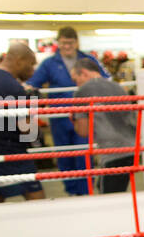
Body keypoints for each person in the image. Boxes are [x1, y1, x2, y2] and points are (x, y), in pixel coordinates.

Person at [27, 26, 108, 196]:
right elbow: (34, 82)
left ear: (76, 42)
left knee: (84, 155)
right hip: (60, 118)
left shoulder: (87, 60)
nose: (67, 47)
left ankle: (86, 192)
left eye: (70, 43)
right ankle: (72, 192)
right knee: (65, 156)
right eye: (63, 43)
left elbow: (105, 79)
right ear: (58, 43)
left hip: (84, 116)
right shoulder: (49, 63)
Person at [0, 42, 45, 203]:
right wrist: (32, 108)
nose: (32, 70)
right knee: (37, 199)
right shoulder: (13, 87)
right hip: (11, 154)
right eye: (30, 64)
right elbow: (28, 131)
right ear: (19, 60)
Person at [70, 61, 134, 194]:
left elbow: (83, 130)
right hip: (132, 147)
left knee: (108, 196)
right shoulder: (118, 87)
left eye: (76, 79)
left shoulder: (83, 92)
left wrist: (73, 119)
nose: (76, 84)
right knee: (113, 190)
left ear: (84, 73)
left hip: (111, 151)